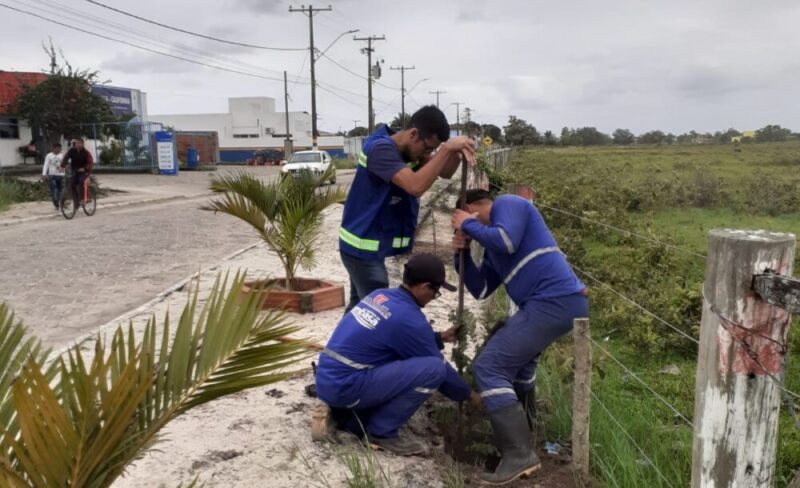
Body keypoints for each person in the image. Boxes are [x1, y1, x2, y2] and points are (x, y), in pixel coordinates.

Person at [451, 189, 588, 485]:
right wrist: (459, 252)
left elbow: (507, 240)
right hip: (549, 304)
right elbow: (482, 289)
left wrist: (467, 224)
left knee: (490, 366)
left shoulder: (509, 203)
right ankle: (527, 431)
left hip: (554, 301)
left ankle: (518, 454)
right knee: (520, 368)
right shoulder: (493, 250)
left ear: (475, 207)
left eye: (466, 216)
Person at [315, 254, 474, 456]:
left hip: (327, 378)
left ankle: (348, 417)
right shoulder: (410, 319)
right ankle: (381, 433)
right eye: (436, 292)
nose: (434, 297)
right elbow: (441, 369)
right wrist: (469, 395)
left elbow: (396, 338)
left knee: (399, 358)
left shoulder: (381, 296)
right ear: (425, 287)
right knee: (434, 370)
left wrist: (439, 337)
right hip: (346, 386)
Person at [339, 105, 476, 312]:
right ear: (413, 134)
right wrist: (447, 149)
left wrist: (456, 151)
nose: (428, 154)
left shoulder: (409, 151)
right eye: (428, 148)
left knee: (359, 308)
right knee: (376, 310)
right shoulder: (380, 149)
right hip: (361, 247)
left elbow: (446, 172)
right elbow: (415, 187)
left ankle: (339, 345)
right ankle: (357, 344)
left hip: (371, 243)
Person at [62, 137, 93, 205]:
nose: (77, 144)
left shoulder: (86, 153)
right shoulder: (72, 151)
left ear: (82, 144)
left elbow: (90, 163)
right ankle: (76, 201)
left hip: (84, 172)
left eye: (79, 143)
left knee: (82, 181)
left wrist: (84, 168)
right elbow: (66, 157)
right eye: (76, 143)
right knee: (71, 183)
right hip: (75, 171)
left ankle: (84, 199)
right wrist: (63, 165)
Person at [41, 142, 64, 210]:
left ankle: (62, 202)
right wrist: (44, 174)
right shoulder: (49, 156)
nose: (59, 150)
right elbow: (46, 165)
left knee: (61, 190)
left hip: (61, 175)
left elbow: (65, 165)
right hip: (52, 175)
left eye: (60, 149)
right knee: (54, 190)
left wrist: (63, 169)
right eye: (57, 148)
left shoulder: (62, 156)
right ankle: (56, 203)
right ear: (53, 148)